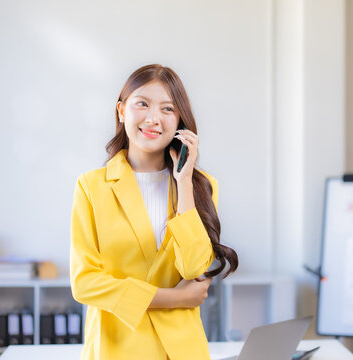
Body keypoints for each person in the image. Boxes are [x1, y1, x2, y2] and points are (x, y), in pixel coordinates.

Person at [70, 64, 238, 360]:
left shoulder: (201, 186)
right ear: (122, 111)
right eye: (142, 104)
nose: (153, 118)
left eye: (167, 109)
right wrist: (175, 297)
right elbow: (84, 283)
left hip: (183, 350)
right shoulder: (91, 186)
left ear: (180, 123)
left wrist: (184, 181)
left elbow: (194, 268)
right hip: (117, 348)